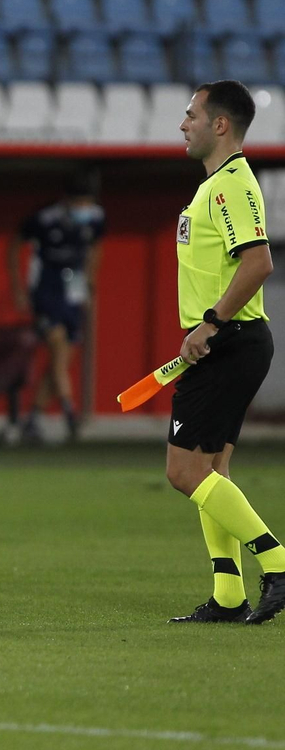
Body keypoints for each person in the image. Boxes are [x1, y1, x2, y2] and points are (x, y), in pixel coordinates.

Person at [164, 81, 285, 624]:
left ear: (219, 125)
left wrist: (209, 324)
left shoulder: (231, 185)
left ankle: (279, 563)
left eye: (190, 115)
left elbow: (258, 263)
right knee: (214, 469)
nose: (183, 124)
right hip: (229, 340)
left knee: (184, 472)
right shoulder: (214, 185)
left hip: (228, 340)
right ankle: (229, 595)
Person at [7, 174, 104, 444]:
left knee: (61, 359)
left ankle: (34, 417)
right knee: (58, 347)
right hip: (47, 293)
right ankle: (69, 412)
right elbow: (15, 244)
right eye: (79, 203)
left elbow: (96, 247)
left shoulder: (95, 217)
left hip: (74, 293)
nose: (84, 208)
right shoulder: (44, 218)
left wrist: (90, 280)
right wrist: (18, 287)